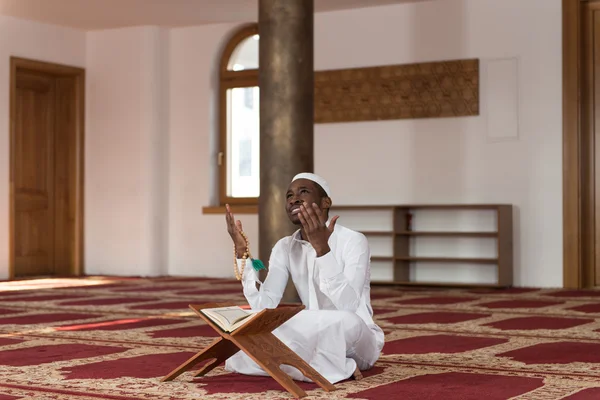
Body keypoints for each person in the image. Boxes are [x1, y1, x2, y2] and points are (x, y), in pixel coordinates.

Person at [223, 172, 384, 384]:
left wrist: (323, 250)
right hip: (312, 329)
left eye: (304, 192)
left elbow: (349, 305)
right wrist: (244, 254)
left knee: (344, 320)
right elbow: (265, 304)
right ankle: (319, 367)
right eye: (289, 195)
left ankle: (293, 363)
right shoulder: (284, 246)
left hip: (356, 336)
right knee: (254, 329)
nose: (294, 199)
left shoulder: (353, 241)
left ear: (325, 202)